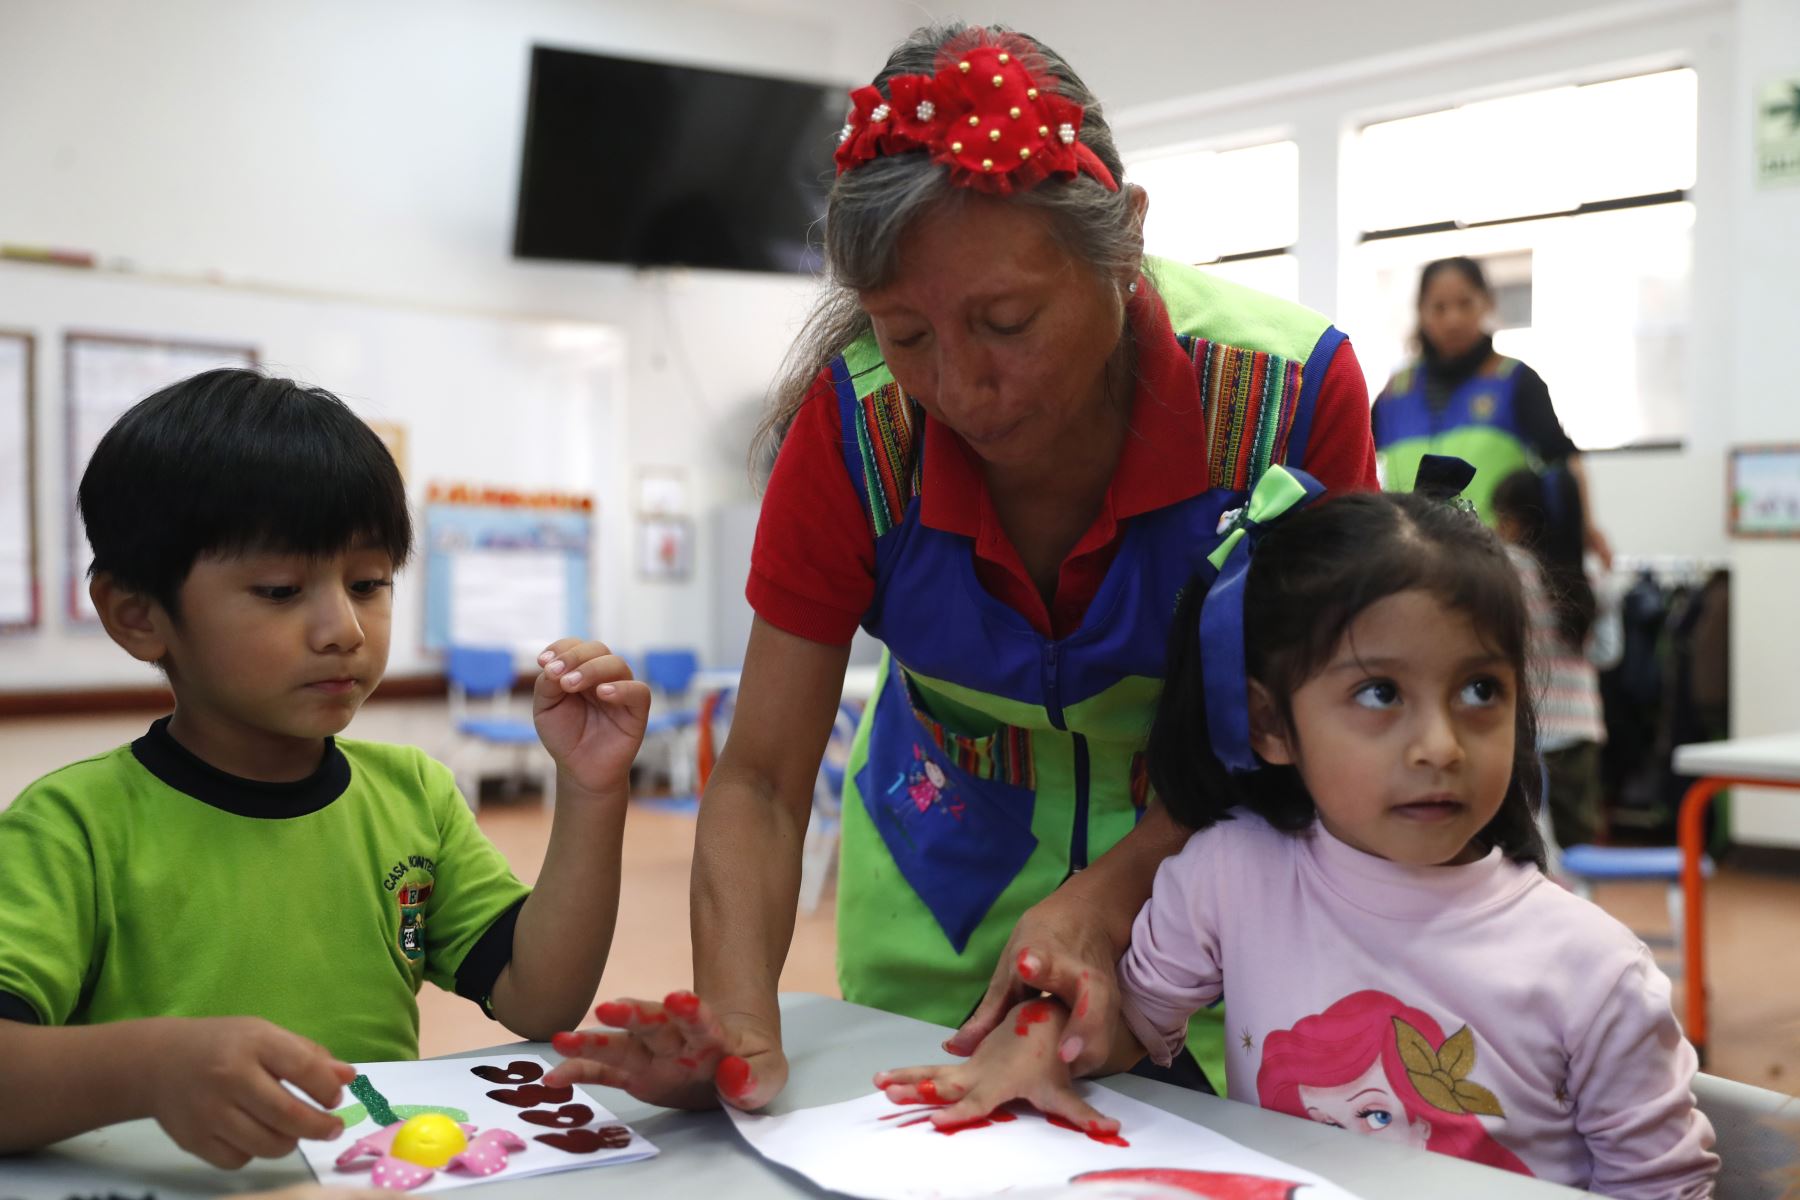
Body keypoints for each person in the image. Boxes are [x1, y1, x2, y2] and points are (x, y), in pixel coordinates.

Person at [545, 22, 1378, 1107]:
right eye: (907, 333)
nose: (963, 387)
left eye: (1007, 320)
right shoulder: (854, 430)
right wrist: (742, 1023)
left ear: (1123, 242)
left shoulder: (1284, 400)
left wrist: (1106, 898)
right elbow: (758, 778)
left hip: (1231, 912)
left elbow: (1334, 725)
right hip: (941, 913)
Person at [874, 467, 1718, 1194]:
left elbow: (1665, 1188)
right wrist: (1040, 1038)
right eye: (1381, 694)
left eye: (1480, 691)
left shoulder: (1594, 974)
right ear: (1272, 727)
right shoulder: (1229, 876)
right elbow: (1132, 1021)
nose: (1439, 746)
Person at [0, 369, 646, 1169]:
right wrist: (150, 1068)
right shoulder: (74, 828)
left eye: (369, 583)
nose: (343, 628)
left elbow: (538, 995)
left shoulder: (412, 793)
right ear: (138, 615)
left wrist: (590, 789)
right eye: (279, 590)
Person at [1372, 256, 1610, 563]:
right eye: (1439, 307)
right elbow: (1356, 460)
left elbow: (1565, 462)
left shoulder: (1515, 380)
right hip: (1413, 559)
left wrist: (1585, 528)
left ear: (1486, 303)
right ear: (1421, 313)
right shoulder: (1395, 392)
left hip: (1497, 559)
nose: (1452, 319)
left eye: (1465, 303)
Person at [1492, 465, 1613, 847]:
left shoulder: (1504, 569)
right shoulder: (1587, 573)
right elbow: (1607, 654)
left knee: (1524, 851)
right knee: (1578, 853)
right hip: (1581, 729)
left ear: (1513, 519)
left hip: (1524, 731)